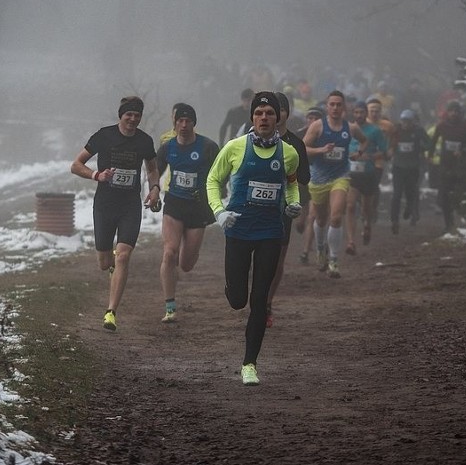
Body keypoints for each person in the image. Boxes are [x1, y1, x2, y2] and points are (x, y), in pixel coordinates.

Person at [206, 91, 301, 386]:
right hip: (238, 229)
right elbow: (212, 180)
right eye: (259, 114)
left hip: (271, 232)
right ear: (252, 118)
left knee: (260, 299)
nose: (264, 118)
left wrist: (292, 204)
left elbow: (292, 185)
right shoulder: (234, 148)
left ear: (278, 118)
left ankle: (250, 363)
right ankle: (232, 287)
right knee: (238, 300)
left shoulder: (289, 153)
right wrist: (220, 212)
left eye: (269, 114)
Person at [71, 95, 160, 331]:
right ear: (121, 115)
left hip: (130, 205)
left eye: (137, 115)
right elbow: (76, 164)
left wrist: (155, 188)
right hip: (105, 205)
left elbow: (152, 167)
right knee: (104, 262)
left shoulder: (144, 141)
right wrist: (96, 176)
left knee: (123, 255)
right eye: (129, 114)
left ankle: (111, 312)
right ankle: (110, 263)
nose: (133, 119)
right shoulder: (104, 136)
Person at [155, 103, 219, 323]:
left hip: (198, 207)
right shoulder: (167, 148)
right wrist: (154, 190)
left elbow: (220, 172)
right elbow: (156, 171)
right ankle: (170, 306)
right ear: (174, 124)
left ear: (193, 123)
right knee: (169, 253)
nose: (183, 125)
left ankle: (188, 255)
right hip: (174, 204)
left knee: (186, 264)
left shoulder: (208, 147)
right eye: (180, 121)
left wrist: (218, 193)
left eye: (187, 121)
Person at [302, 90, 368, 278]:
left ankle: (334, 260)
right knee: (321, 219)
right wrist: (321, 149)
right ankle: (321, 249)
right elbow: (302, 148)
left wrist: (359, 153)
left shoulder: (351, 128)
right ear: (327, 106)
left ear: (344, 107)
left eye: (339, 104)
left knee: (337, 217)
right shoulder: (317, 126)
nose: (335, 108)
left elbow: (364, 141)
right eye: (332, 104)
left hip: (340, 175)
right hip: (318, 178)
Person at [265, 92, 310, 328]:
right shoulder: (250, 140)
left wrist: (296, 201)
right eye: (270, 109)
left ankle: (267, 302)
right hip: (256, 207)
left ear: (286, 113)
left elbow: (304, 179)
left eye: (280, 109)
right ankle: (256, 295)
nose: (274, 114)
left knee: (276, 259)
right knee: (256, 258)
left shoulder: (296, 144)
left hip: (282, 210)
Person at [428, 99, 466, 233]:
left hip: (462, 165)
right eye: (451, 111)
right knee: (445, 194)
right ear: (447, 112)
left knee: (463, 192)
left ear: (460, 113)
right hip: (446, 164)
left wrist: (464, 150)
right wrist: (429, 155)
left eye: (456, 111)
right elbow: (433, 141)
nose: (454, 114)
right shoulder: (441, 126)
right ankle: (448, 224)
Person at [344, 101, 387, 254]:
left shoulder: (375, 131)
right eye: (356, 112)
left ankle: (367, 224)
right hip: (351, 174)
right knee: (349, 206)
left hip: (368, 173)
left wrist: (369, 156)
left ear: (366, 114)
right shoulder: (347, 129)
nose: (359, 115)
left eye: (361, 112)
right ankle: (350, 242)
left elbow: (384, 151)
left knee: (366, 208)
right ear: (352, 113)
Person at [389, 109, 431, 234]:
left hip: (413, 167)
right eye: (403, 122)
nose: (405, 124)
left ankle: (409, 208)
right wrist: (390, 149)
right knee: (396, 194)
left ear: (413, 122)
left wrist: (422, 148)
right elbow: (387, 142)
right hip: (398, 166)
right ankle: (394, 221)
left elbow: (429, 144)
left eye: (408, 122)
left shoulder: (419, 131)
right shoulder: (396, 130)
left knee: (411, 192)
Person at [297, 106, 324, 265]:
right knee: (302, 217)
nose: (312, 120)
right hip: (301, 179)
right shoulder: (299, 134)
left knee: (312, 216)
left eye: (315, 118)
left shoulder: (325, 136)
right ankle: (301, 224)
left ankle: (305, 251)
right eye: (310, 117)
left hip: (319, 178)